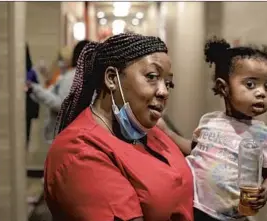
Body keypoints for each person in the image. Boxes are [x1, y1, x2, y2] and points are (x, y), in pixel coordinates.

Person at [44, 33, 194, 221]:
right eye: (152, 77)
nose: (164, 91)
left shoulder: (145, 128)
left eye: (168, 83)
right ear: (112, 79)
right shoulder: (79, 152)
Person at [158, 37, 267, 221]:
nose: (261, 93)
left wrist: (266, 192)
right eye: (250, 84)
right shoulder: (209, 122)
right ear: (223, 87)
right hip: (193, 207)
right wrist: (167, 133)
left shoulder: (265, 137)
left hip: (232, 217)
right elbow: (195, 150)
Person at [27, 40, 90, 144]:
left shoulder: (72, 77)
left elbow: (61, 104)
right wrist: (35, 89)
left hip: (63, 133)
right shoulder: (71, 76)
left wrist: (35, 89)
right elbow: (51, 92)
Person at [25, 43, 40, 148]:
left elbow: (36, 87)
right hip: (26, 104)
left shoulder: (30, 72)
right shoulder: (31, 72)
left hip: (27, 103)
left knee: (26, 131)